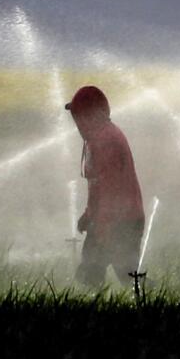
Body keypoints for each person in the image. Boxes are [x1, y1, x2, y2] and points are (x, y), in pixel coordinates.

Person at [65, 86, 145, 286]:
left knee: (112, 276)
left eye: (79, 116)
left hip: (118, 222)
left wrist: (102, 228)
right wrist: (89, 214)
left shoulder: (106, 141)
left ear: (90, 115)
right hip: (115, 220)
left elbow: (111, 189)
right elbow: (98, 185)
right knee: (120, 276)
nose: (77, 123)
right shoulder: (99, 137)